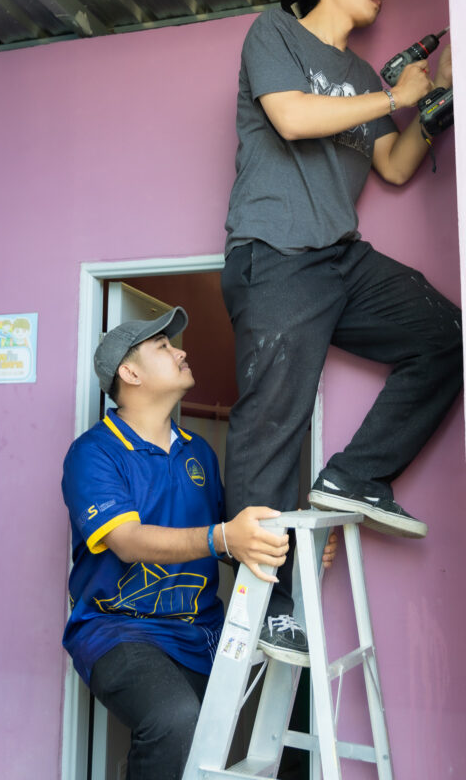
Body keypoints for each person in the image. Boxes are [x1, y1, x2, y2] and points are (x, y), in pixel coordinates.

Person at [222, 0, 463, 665]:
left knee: (447, 337)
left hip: (338, 255)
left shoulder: (359, 75)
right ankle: (263, 607)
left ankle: (354, 477)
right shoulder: (274, 32)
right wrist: (396, 96)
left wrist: (436, 98)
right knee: (274, 422)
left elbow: (393, 164)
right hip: (274, 250)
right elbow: (292, 118)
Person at [61, 307, 290, 780]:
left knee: (203, 750)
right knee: (174, 721)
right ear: (130, 373)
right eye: (163, 347)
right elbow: (127, 541)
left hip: (200, 633)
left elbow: (232, 539)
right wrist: (222, 536)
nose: (181, 352)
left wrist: (291, 548)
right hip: (119, 629)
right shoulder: (93, 453)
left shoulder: (198, 451)